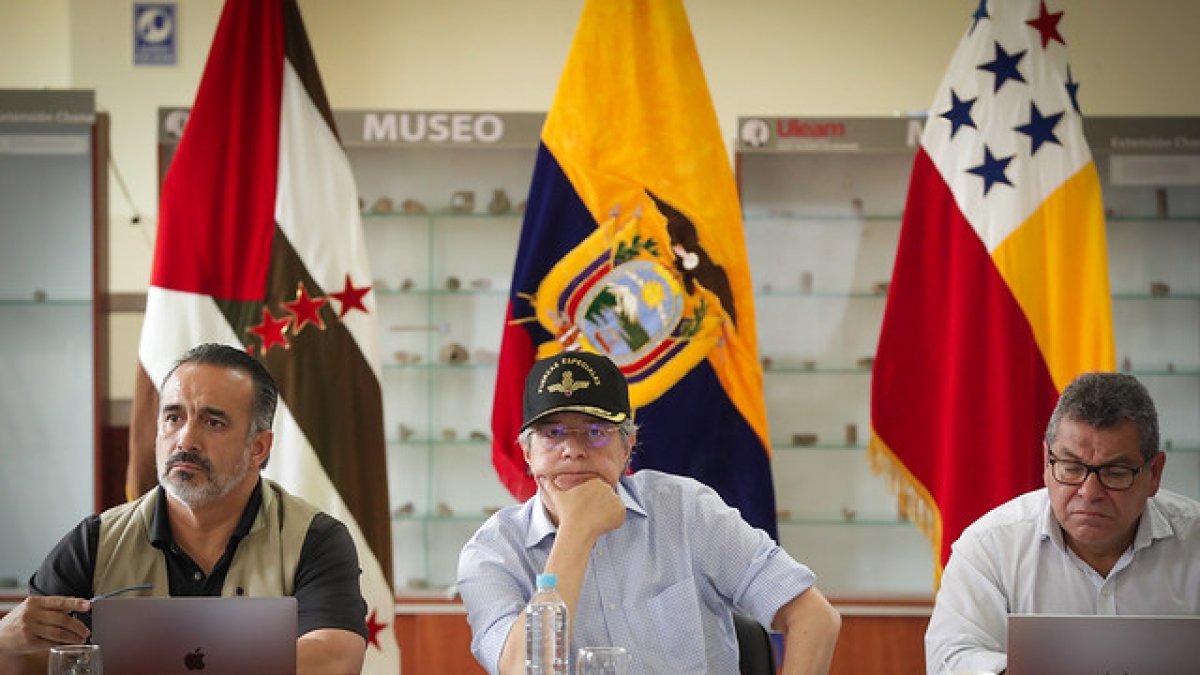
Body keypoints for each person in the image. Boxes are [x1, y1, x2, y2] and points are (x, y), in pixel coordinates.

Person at [457, 350, 841, 675]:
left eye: (595, 432)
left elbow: (815, 618)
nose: (572, 450)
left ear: (627, 447)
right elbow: (521, 670)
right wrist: (576, 532)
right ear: (527, 453)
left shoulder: (687, 511)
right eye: (552, 434)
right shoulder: (492, 553)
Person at [0, 343, 368, 675]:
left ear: (258, 448)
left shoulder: (314, 538)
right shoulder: (96, 540)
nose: (186, 439)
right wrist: (5, 642)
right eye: (173, 417)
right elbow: (35, 660)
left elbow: (333, 660)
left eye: (213, 422)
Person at [925, 371, 1200, 674]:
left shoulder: (1194, 540)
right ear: (1047, 461)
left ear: (1154, 474)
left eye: (1116, 472)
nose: (1089, 492)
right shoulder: (990, 545)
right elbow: (949, 657)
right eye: (1071, 468)